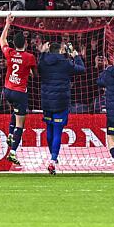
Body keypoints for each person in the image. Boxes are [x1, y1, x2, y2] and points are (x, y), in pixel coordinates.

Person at [38, 40, 85, 174]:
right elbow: (82, 70)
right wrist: (76, 56)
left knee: (49, 128)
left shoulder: (43, 62)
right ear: (59, 51)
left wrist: (42, 53)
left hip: (47, 101)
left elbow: (38, 67)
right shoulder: (65, 63)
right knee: (58, 131)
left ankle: (52, 157)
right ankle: (53, 159)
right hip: (61, 101)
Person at [0, 14, 37, 166]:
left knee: (14, 112)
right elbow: (35, 75)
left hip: (7, 90)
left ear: (13, 43)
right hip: (20, 91)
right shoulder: (29, 57)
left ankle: (9, 134)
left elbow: (2, 40)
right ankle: (13, 152)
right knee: (20, 124)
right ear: (25, 43)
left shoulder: (10, 53)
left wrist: (7, 24)